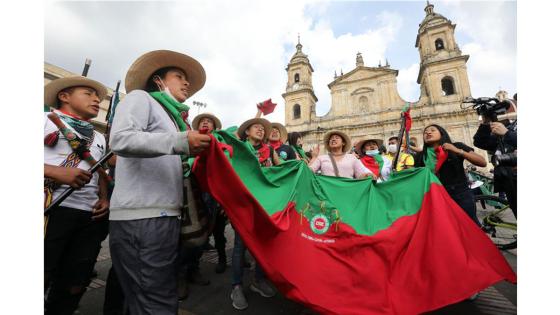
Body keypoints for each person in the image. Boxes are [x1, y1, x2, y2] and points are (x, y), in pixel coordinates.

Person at [108, 50, 211, 315]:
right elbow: (120, 139)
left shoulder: (173, 119)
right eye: (179, 76)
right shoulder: (140, 99)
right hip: (142, 218)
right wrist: (181, 141)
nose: (186, 83)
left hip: (163, 216)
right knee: (157, 300)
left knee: (145, 297)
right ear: (158, 81)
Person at [43, 76, 110, 315]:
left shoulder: (99, 137)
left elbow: (101, 173)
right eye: (88, 93)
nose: (96, 100)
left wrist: (104, 198)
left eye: (98, 97)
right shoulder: (43, 121)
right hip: (49, 211)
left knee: (75, 281)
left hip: (89, 216)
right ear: (64, 96)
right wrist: (54, 172)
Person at [229, 117, 279, 310]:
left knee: (262, 245)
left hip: (264, 206)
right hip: (242, 206)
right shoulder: (239, 149)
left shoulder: (271, 151)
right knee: (240, 247)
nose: (260, 130)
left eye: (262, 128)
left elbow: (282, 168)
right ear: (246, 132)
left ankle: (258, 280)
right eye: (255, 127)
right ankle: (236, 286)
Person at [415, 124, 487, 225]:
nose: (428, 132)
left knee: (469, 225)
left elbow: (482, 162)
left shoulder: (456, 146)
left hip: (460, 196)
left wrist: (457, 151)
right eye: (425, 132)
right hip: (435, 198)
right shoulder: (420, 156)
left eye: (432, 130)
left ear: (442, 133)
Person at [473, 98, 517, 217]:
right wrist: (486, 123)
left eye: (500, 113)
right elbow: (479, 142)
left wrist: (507, 133)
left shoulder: (514, 127)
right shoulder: (497, 133)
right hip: (508, 179)